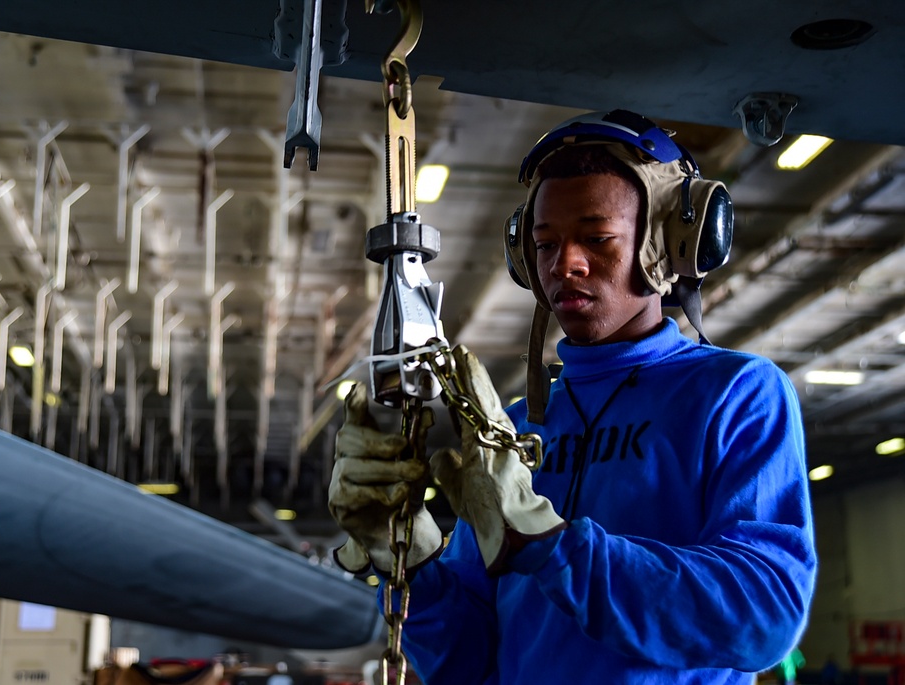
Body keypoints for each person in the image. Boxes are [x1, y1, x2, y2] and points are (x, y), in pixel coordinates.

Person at [328, 109, 817, 684]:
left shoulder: (735, 395)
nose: (565, 265)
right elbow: (469, 663)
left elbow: (765, 615)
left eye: (596, 238)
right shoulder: (508, 431)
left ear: (668, 243)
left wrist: (555, 547)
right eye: (544, 243)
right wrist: (412, 564)